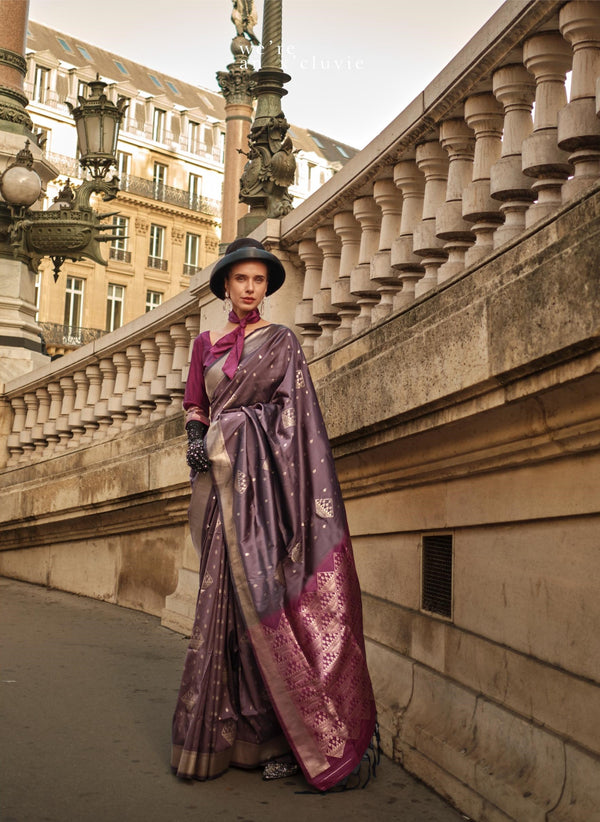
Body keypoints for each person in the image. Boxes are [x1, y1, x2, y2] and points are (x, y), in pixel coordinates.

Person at [171, 238, 377, 791]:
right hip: (220, 488)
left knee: (269, 603)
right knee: (226, 605)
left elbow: (296, 418)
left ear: (266, 288)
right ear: (224, 286)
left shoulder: (280, 342)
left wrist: (236, 429)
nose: (249, 288)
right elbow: (195, 402)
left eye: (259, 280)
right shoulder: (205, 345)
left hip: (268, 494)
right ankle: (230, 734)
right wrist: (196, 432)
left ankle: (288, 739)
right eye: (240, 279)